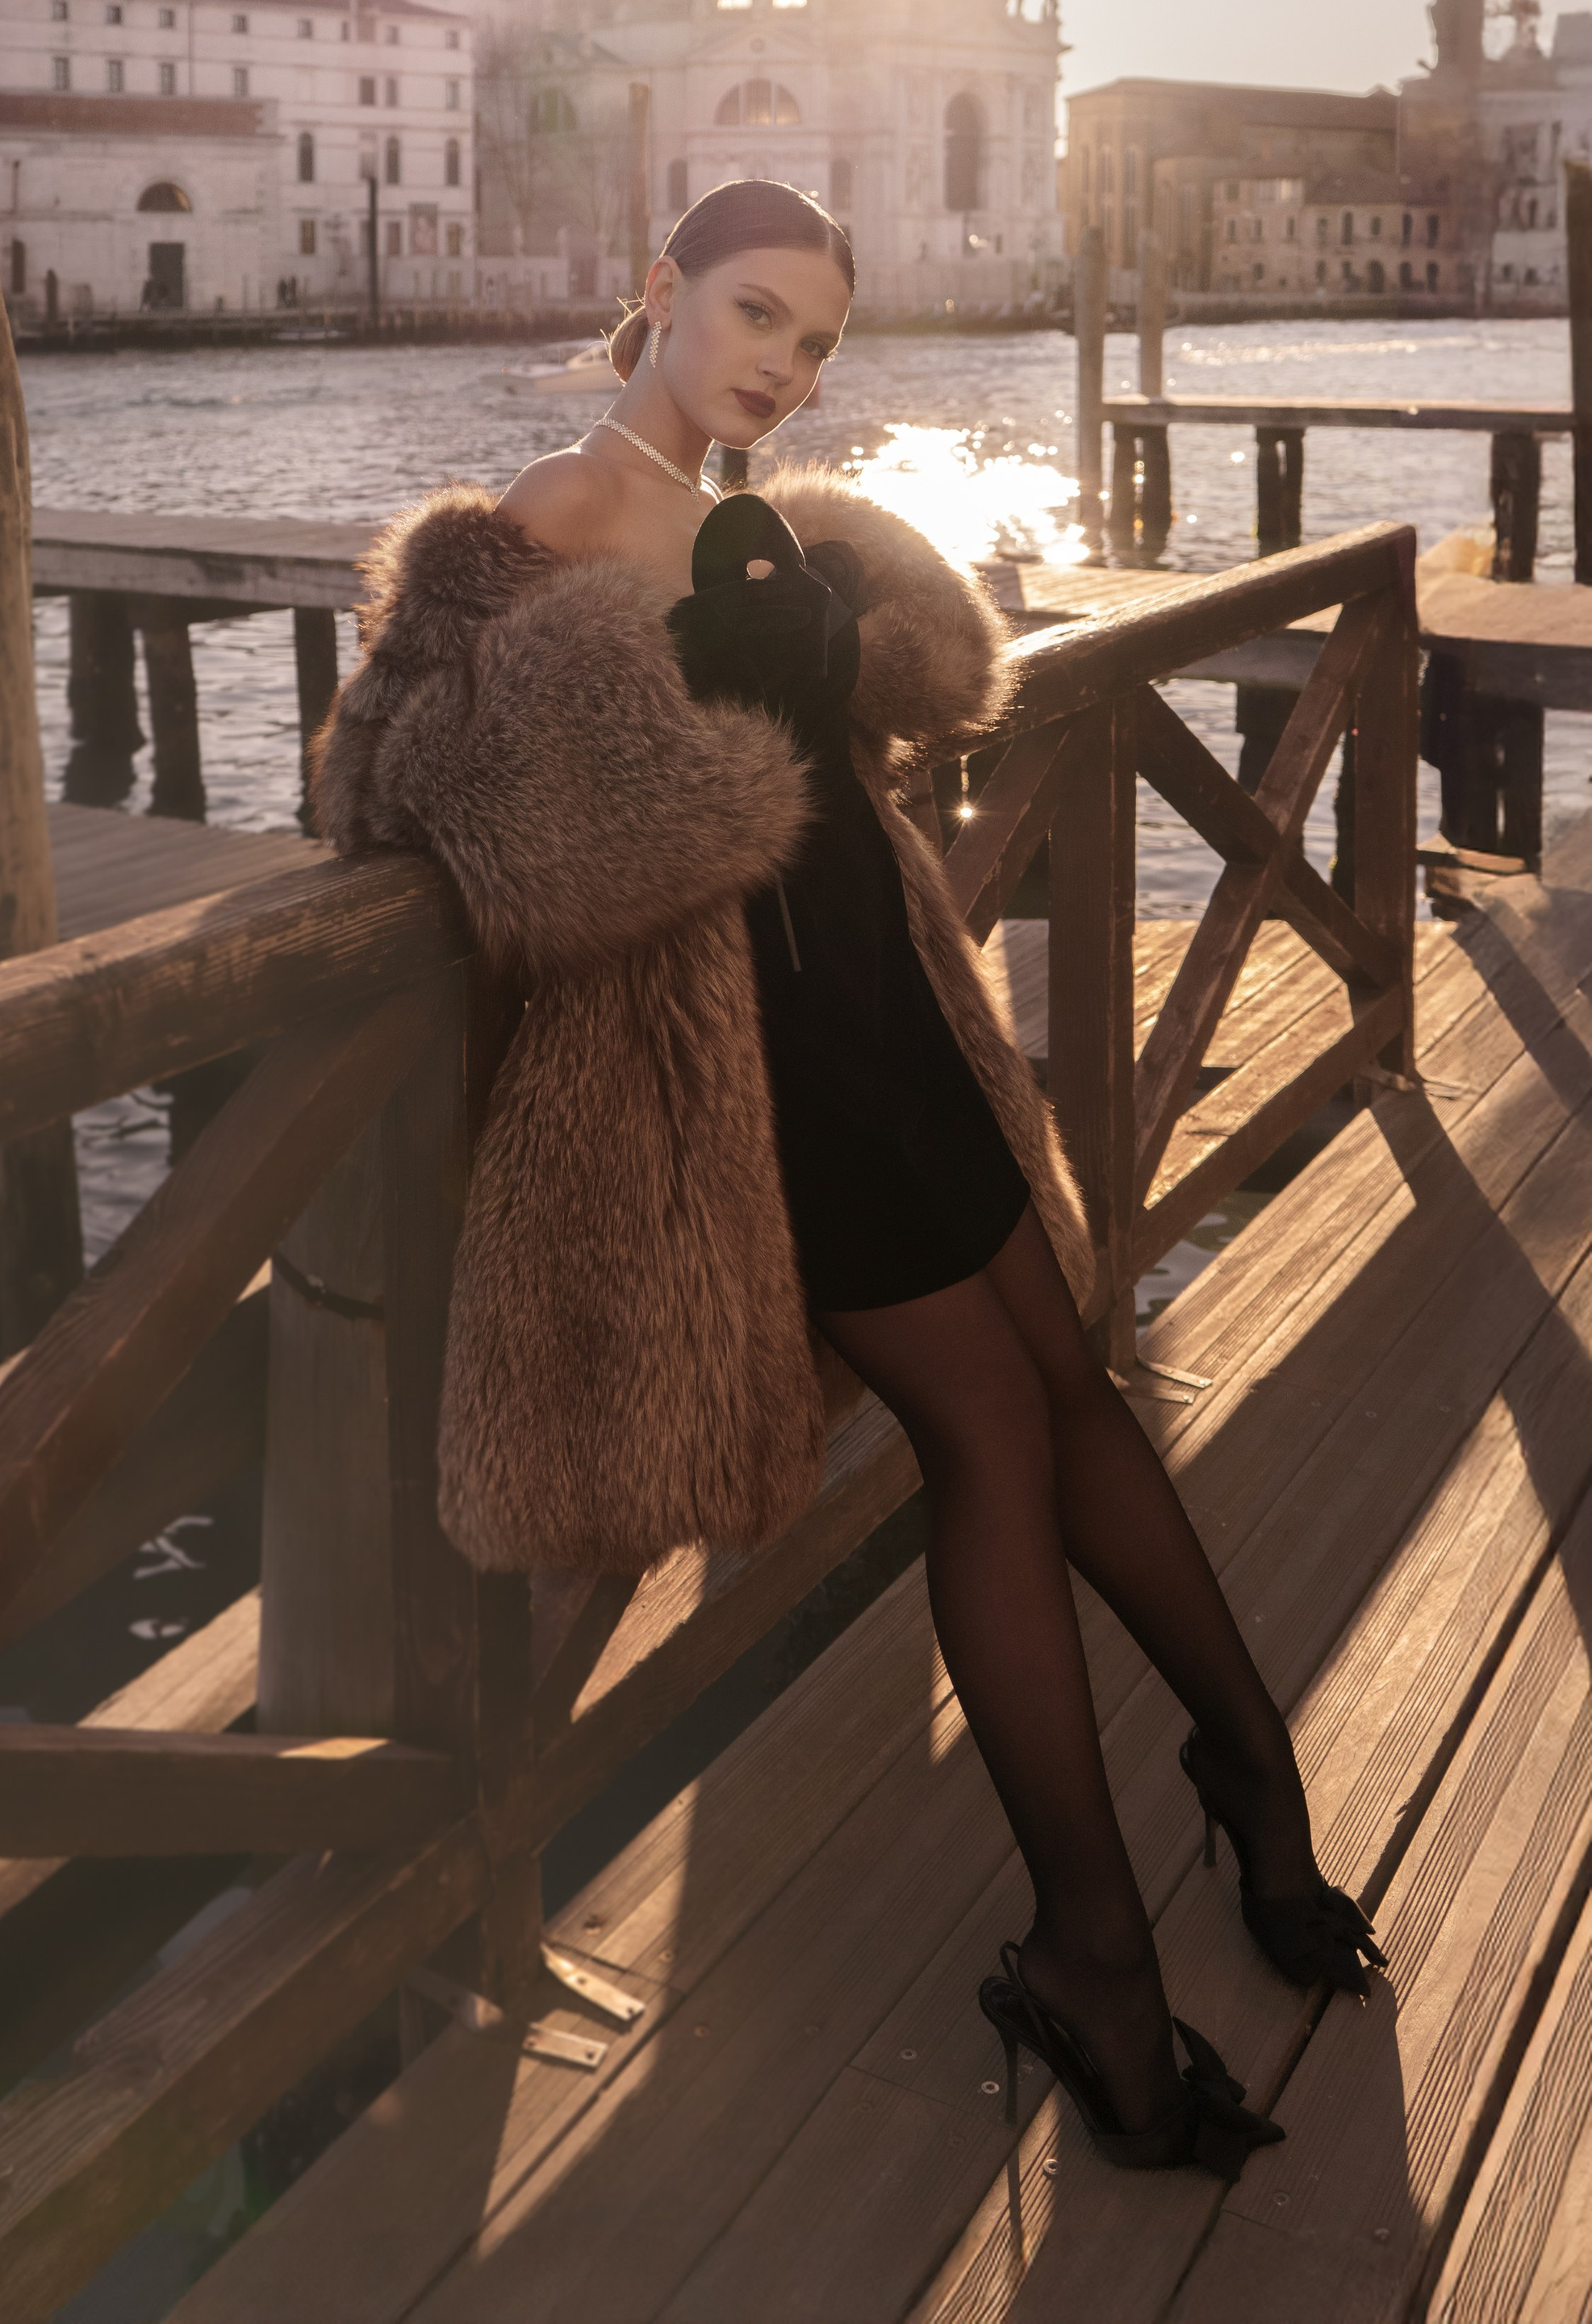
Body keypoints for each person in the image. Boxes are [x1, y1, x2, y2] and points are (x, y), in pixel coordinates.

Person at [311, 177, 1377, 2183]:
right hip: (752, 1078)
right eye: (752, 314)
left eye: (812, 342)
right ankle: (1095, 1956)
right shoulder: (537, 522)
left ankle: (1249, 1777)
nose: (780, 368)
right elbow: (395, 791)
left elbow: (837, 745)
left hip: (889, 1011)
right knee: (990, 1437)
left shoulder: (740, 515)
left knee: (1067, 1387)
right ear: (656, 290)